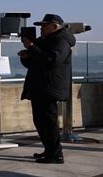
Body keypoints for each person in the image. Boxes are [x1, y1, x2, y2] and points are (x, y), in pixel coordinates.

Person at [18, 13, 76, 164]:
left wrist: (31, 47)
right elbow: (35, 63)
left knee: (49, 122)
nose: (41, 29)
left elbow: (51, 60)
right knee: (40, 121)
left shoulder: (61, 41)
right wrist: (26, 56)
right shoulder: (45, 41)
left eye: (44, 26)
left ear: (55, 26)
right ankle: (49, 149)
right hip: (40, 87)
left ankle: (56, 155)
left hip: (49, 88)